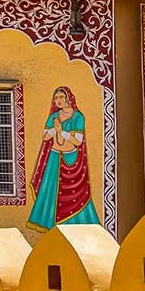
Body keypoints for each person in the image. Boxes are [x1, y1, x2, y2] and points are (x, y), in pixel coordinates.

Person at [28, 85, 101, 228]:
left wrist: (61, 131)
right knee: (50, 192)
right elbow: (45, 136)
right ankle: (49, 224)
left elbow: (78, 140)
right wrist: (54, 131)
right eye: (56, 98)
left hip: (71, 159)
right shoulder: (53, 117)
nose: (58, 100)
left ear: (68, 98)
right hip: (54, 157)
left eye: (61, 97)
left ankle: (78, 226)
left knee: (74, 195)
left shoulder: (78, 117)